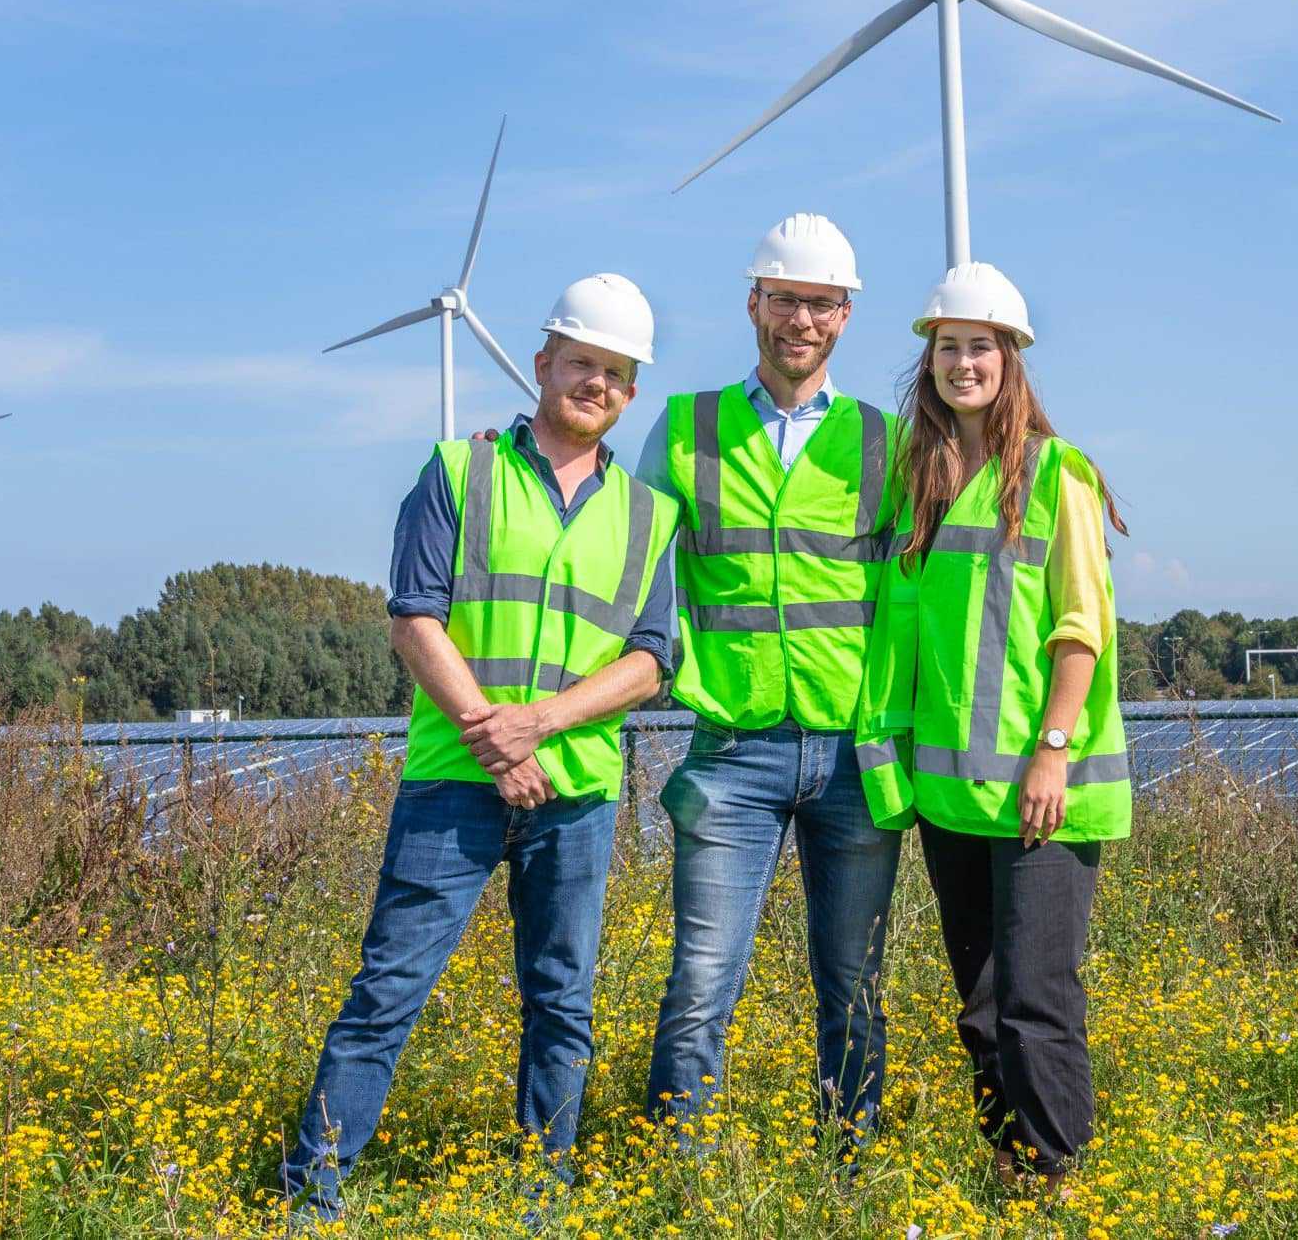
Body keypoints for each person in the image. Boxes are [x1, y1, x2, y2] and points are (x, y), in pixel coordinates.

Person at [281, 273, 682, 1223]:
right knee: (388, 993)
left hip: (578, 793)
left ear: (632, 392)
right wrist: (496, 741)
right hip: (453, 784)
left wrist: (539, 724)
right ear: (541, 363)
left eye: (616, 372)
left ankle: (539, 1197)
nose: (596, 382)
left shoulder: (648, 514)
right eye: (581, 362)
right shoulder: (459, 472)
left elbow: (653, 662)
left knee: (562, 1006)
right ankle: (312, 1198)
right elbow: (414, 617)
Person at [855, 260, 1132, 1199]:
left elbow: (1079, 627)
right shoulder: (918, 483)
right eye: (947, 347)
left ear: (1012, 360)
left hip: (1039, 788)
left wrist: (1051, 750)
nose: (961, 363)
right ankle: (1008, 1162)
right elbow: (902, 636)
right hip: (948, 795)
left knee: (1035, 999)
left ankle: (1059, 1176)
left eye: (980, 347)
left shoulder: (1061, 475)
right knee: (978, 1003)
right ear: (927, 360)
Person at [636, 213, 905, 1143]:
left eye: (821, 303)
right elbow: (620, 554)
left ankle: (850, 1171)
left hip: (854, 758)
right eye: (785, 298)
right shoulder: (683, 428)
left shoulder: (886, 443)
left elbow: (936, 582)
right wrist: (513, 445)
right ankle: (677, 1166)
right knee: (702, 980)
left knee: (854, 985)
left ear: (845, 317)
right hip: (732, 751)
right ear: (753, 301)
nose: (802, 319)